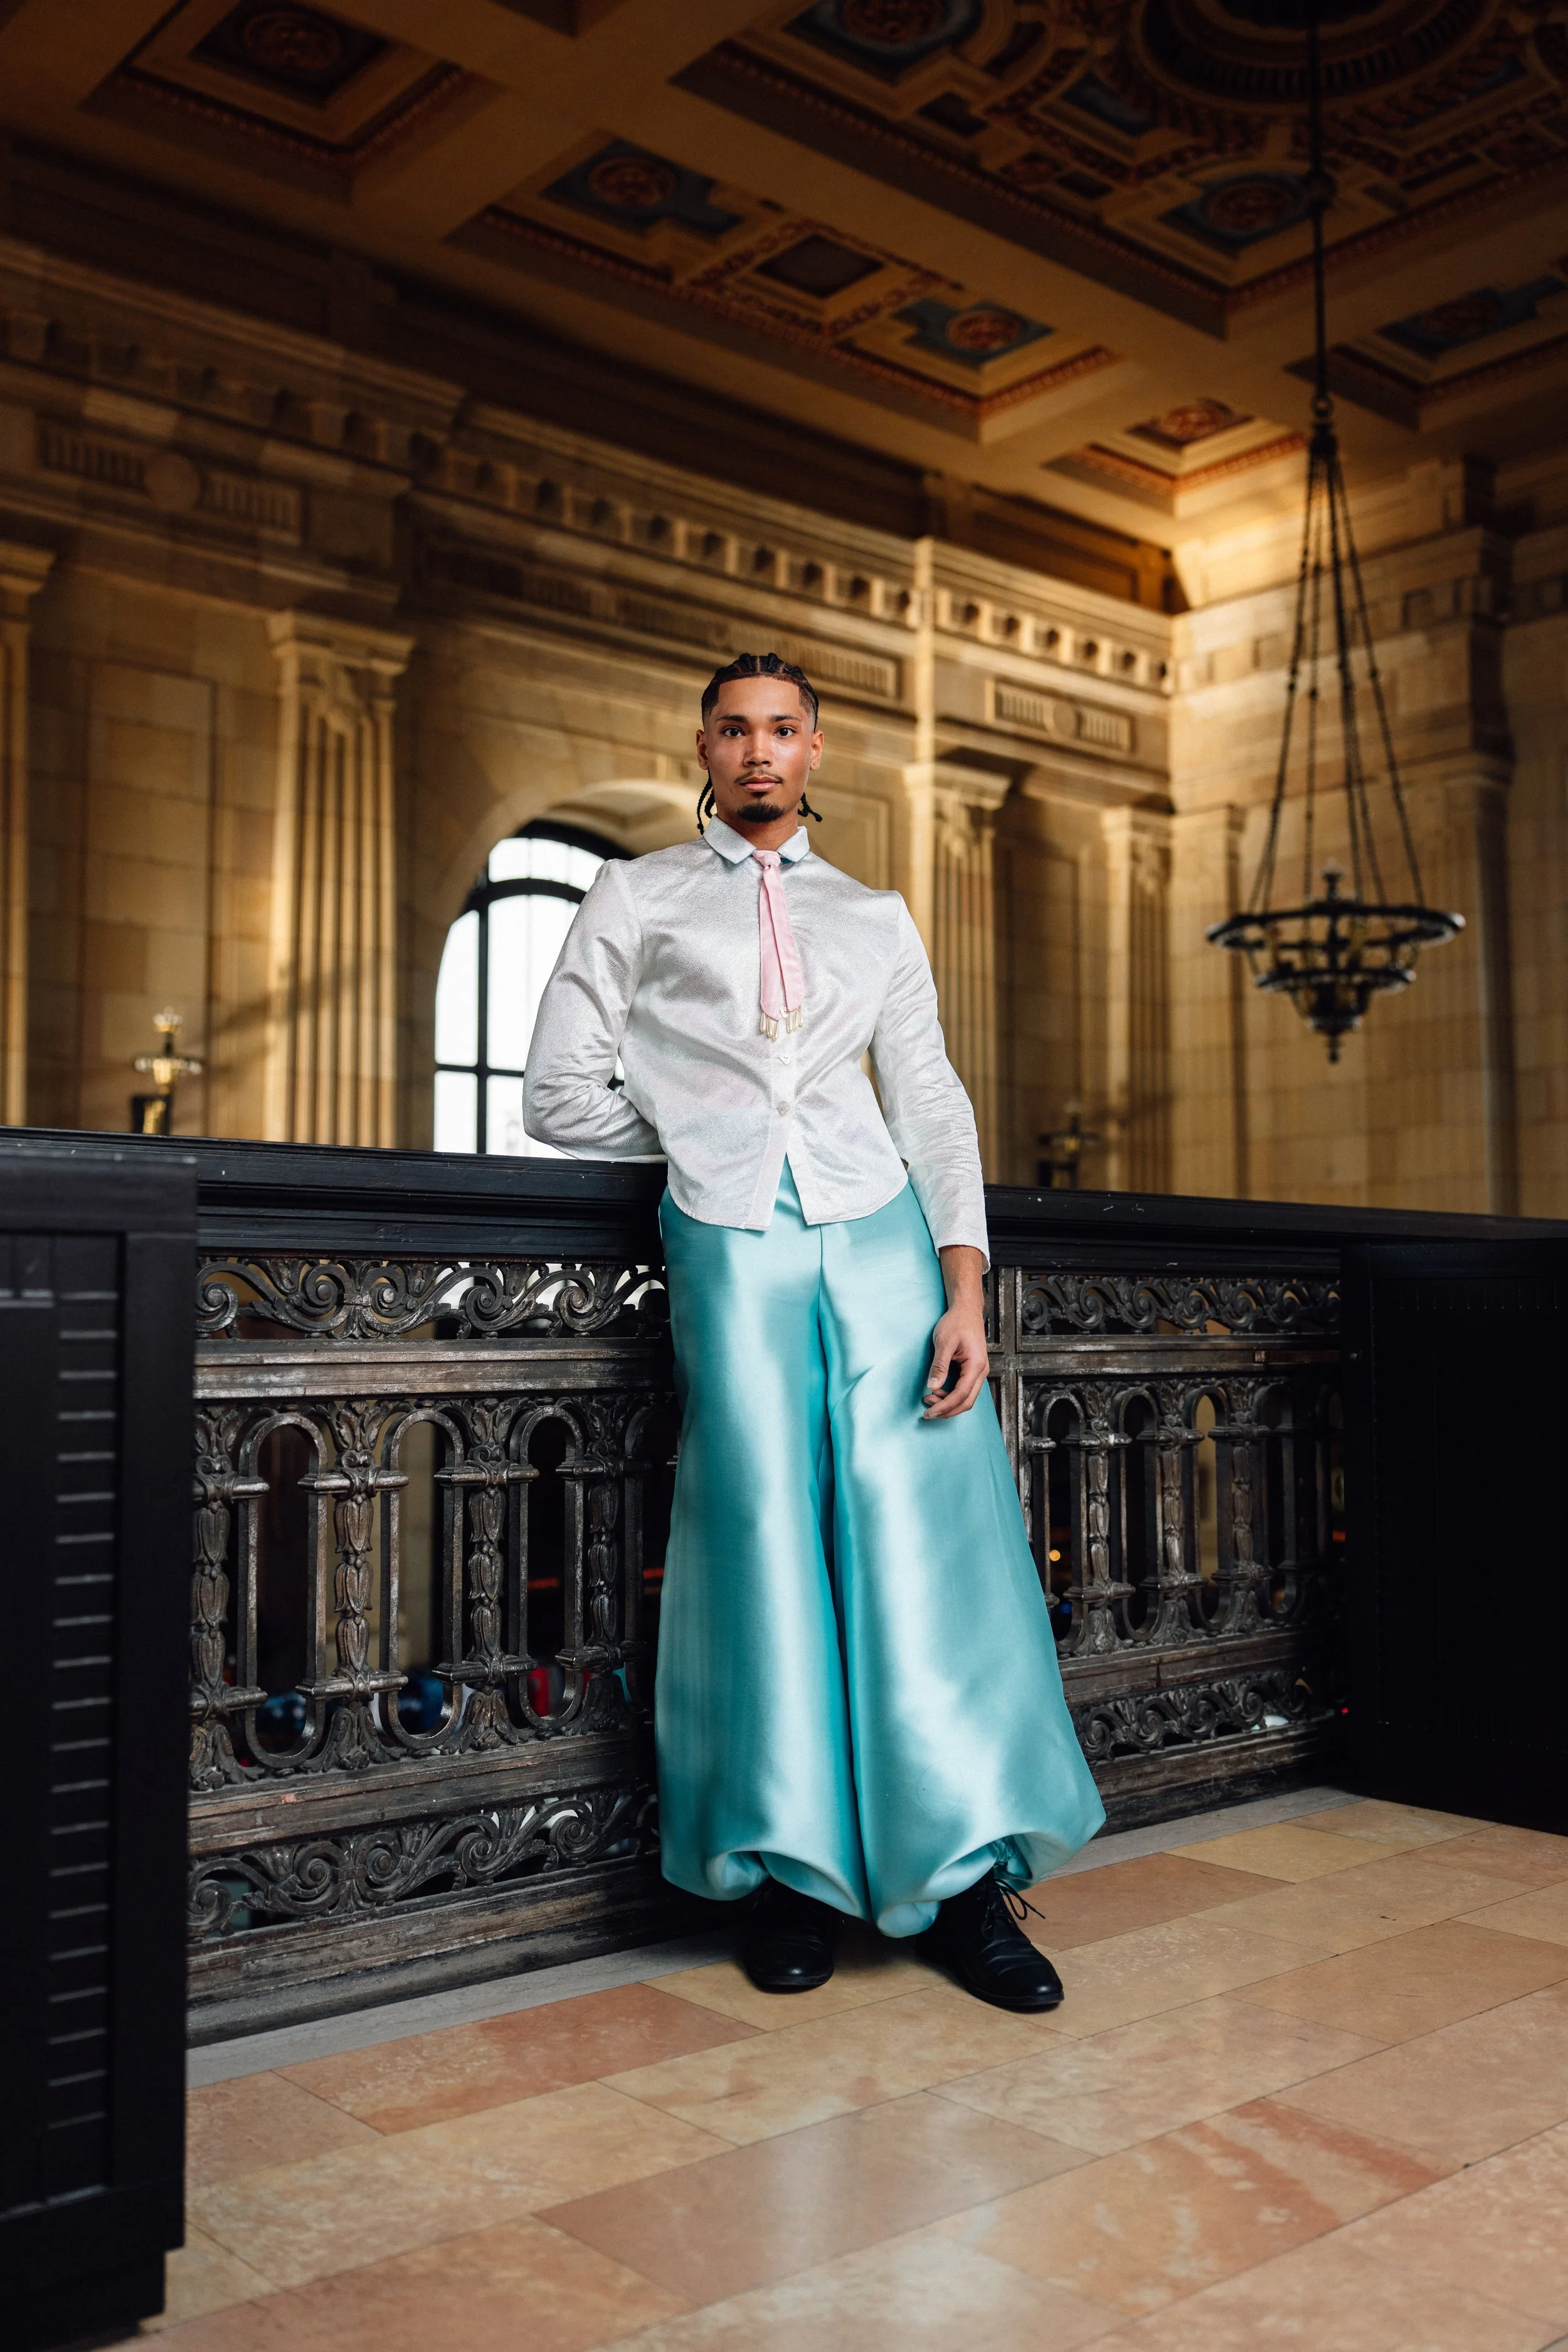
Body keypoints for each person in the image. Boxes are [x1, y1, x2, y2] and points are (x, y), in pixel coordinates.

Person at [524, 651, 1103, 2008]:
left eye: (782, 729)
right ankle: (787, 1878)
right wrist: (702, 1135)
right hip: (729, 1249)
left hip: (884, 1241)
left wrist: (961, 1283)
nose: (758, 751)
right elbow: (557, 1097)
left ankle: (963, 1888)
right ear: (704, 746)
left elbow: (931, 1100)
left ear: (816, 750)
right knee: (759, 1544)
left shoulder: (875, 916)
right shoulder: (637, 894)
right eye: (733, 729)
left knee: (928, 1545)